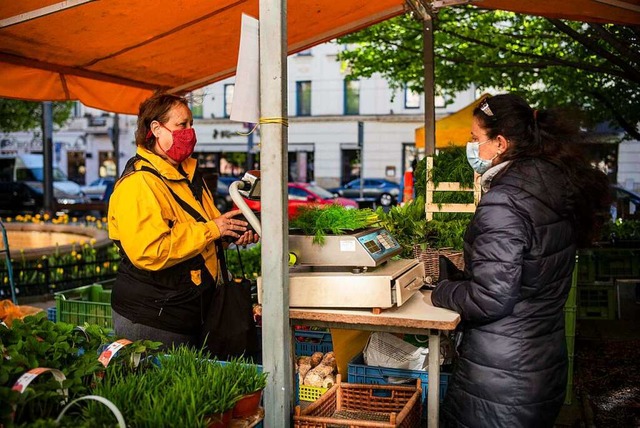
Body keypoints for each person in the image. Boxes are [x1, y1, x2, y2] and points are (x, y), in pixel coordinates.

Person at [431, 94, 611, 427]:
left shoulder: (505, 202)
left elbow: (490, 299)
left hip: (501, 379)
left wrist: (441, 291)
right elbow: (528, 271)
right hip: (540, 362)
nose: (473, 148)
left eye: (475, 139)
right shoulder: (552, 184)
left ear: (500, 143)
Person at [108, 92, 259, 349]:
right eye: (181, 125)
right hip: (154, 318)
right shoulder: (139, 184)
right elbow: (149, 251)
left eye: (191, 124)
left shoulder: (188, 174)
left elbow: (203, 232)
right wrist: (212, 229)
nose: (189, 132)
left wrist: (228, 234)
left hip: (190, 311)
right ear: (156, 129)